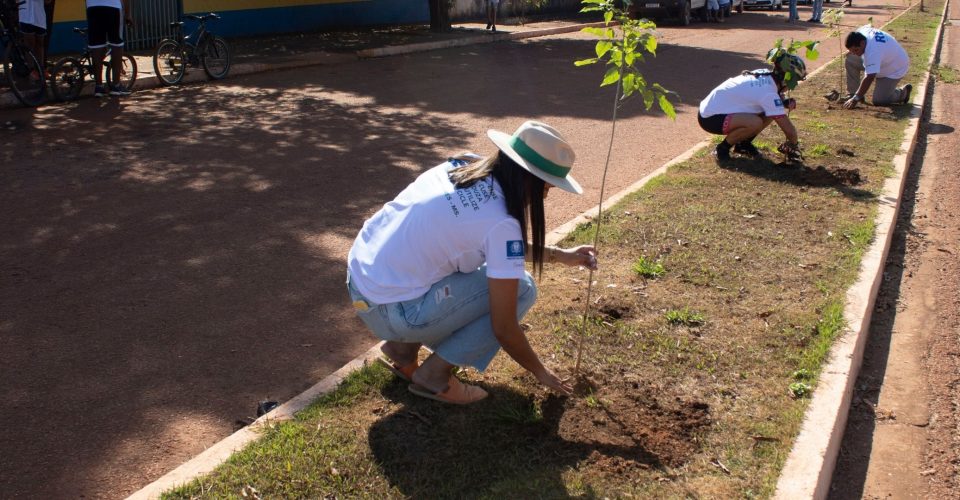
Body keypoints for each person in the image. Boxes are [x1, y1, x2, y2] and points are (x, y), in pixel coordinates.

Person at [346, 121, 598, 404]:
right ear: (529, 179)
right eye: (546, 188)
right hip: (394, 311)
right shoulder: (502, 223)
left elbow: (501, 247)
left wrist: (560, 255)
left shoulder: (462, 165)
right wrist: (541, 372)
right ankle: (434, 377)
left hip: (362, 283)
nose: (545, 196)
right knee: (523, 289)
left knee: (452, 263)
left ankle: (401, 352)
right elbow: (504, 327)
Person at [697, 50, 807, 162]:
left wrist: (783, 101)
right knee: (755, 123)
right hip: (709, 117)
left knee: (770, 113)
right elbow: (788, 129)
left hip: (713, 108)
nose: (795, 85)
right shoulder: (768, 94)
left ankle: (743, 144)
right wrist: (794, 145)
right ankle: (722, 149)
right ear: (785, 80)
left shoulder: (765, 74)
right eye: (795, 81)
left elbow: (768, 95)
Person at [842, 25, 912, 108]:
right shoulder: (862, 33)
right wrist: (851, 51)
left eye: (856, 50)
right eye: (852, 50)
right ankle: (852, 93)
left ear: (862, 43)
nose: (855, 53)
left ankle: (903, 93)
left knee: (879, 100)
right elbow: (868, 26)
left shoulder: (873, 51)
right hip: (883, 59)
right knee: (851, 59)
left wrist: (856, 98)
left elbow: (870, 77)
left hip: (893, 68)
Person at [85, 0, 133, 97]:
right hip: (113, 7)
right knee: (117, 45)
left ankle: (99, 86)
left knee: (96, 46)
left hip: (93, 8)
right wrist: (128, 15)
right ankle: (116, 85)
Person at [17, 0, 47, 75]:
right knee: (29, 45)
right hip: (26, 16)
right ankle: (31, 70)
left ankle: (41, 69)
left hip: (40, 17)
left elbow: (47, 2)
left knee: (40, 44)